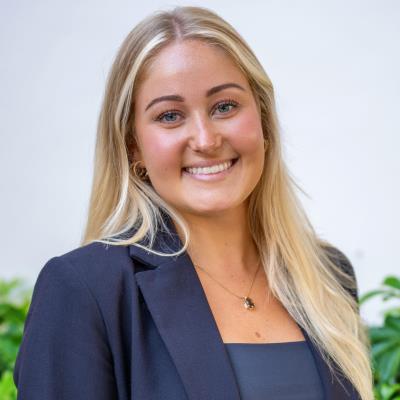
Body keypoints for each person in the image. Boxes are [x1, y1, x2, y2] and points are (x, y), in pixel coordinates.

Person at [13, 6, 373, 400]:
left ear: (263, 118)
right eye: (170, 116)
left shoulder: (328, 276)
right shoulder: (85, 291)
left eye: (225, 107)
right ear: (133, 146)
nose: (205, 139)